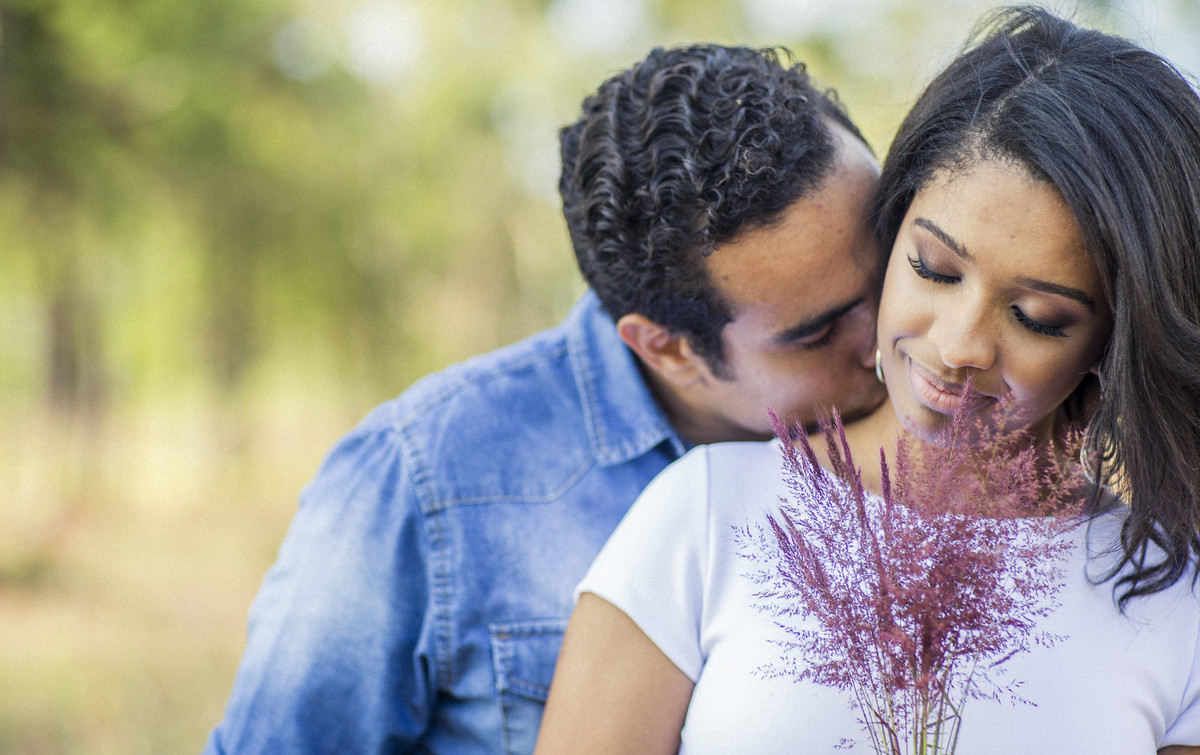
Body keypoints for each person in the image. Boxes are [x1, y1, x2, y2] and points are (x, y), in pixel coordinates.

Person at [536, 8, 1200, 754]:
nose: (958, 347)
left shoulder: (1171, 594)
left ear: (1119, 336)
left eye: (1039, 316)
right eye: (933, 268)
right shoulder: (706, 513)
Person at [204, 45, 888, 753]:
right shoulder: (423, 479)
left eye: (904, 269)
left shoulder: (967, 423)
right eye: (819, 331)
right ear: (668, 348)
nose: (892, 341)